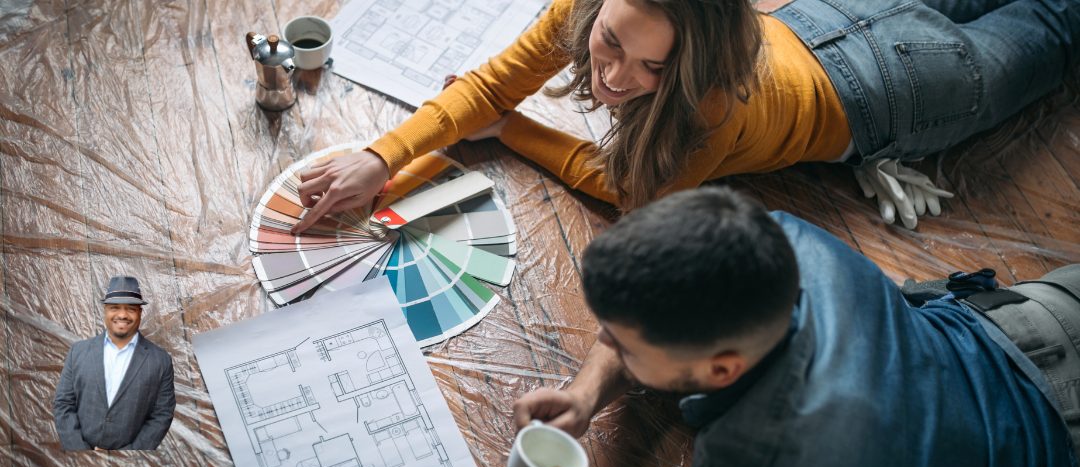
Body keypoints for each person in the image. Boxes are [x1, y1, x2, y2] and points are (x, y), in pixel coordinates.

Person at [292, 0, 1080, 232]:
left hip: (903, 88)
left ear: (697, 59)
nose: (610, 78)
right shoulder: (587, 5)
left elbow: (630, 191)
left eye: (651, 71)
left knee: (1055, 20)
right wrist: (381, 154)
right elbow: (492, 81)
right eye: (607, 42)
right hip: (832, 15)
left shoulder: (713, 101)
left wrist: (516, 130)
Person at [513, 186, 1080, 467]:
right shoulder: (771, 237)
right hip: (1033, 316)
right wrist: (585, 395)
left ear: (721, 371)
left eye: (623, 345)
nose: (604, 343)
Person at [54, 276, 176, 451]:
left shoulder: (160, 360)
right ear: (105, 310)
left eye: (131, 309)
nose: (122, 315)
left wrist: (127, 459)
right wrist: (82, 454)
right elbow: (63, 404)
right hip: (81, 461)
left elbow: (162, 414)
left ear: (140, 312)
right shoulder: (78, 352)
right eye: (115, 308)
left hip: (131, 466)